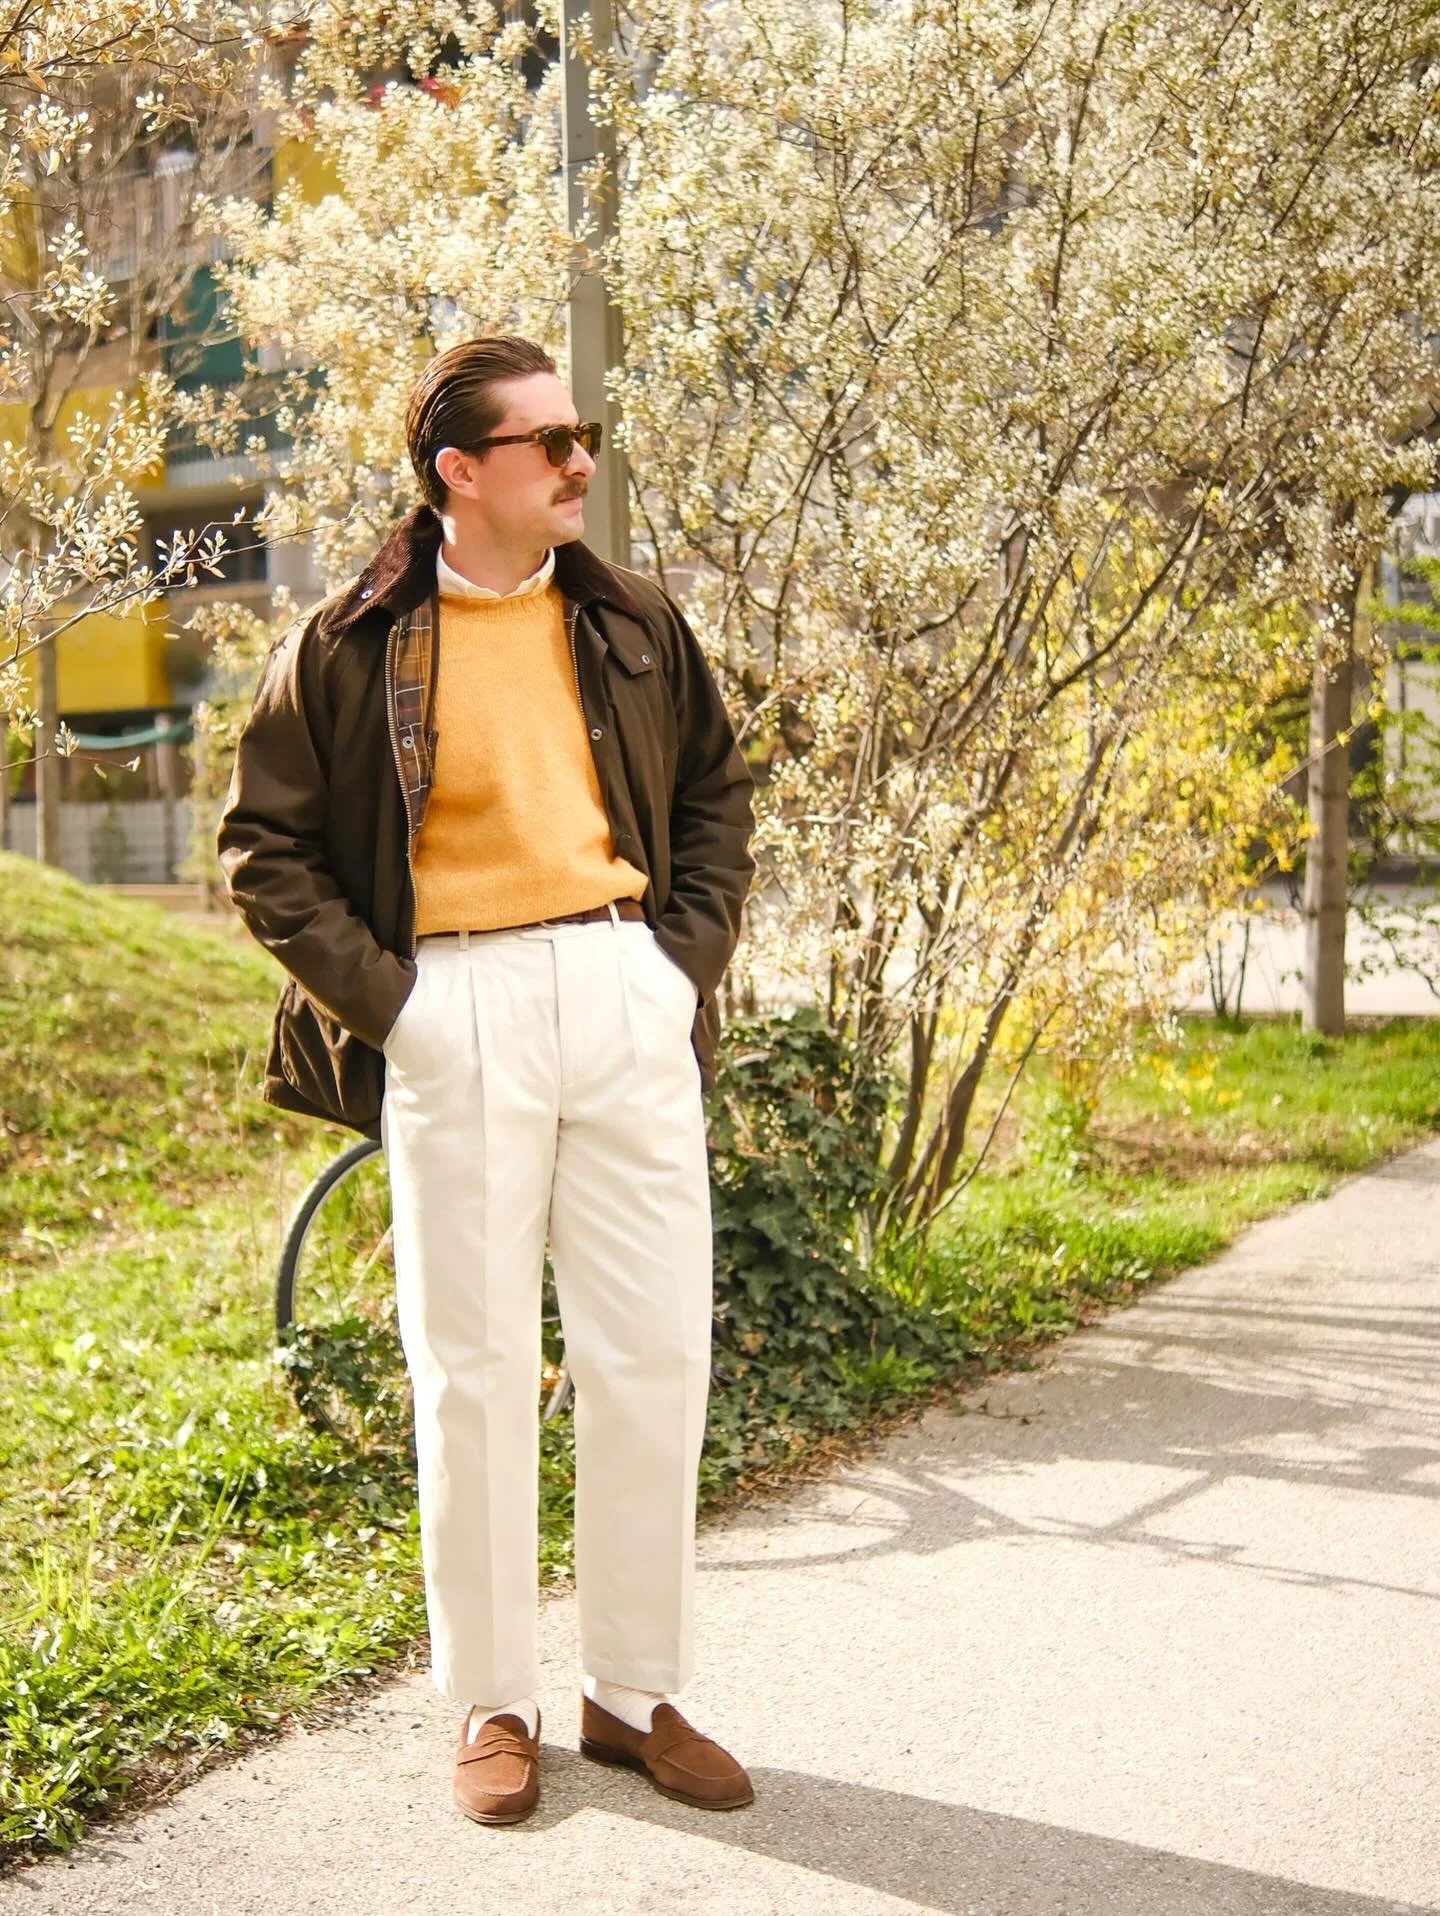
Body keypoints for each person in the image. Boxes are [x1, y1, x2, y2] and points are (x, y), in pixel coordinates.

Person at [217, 335, 757, 1826]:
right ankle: (491, 1701)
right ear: (463, 472)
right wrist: (404, 1010)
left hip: (624, 989)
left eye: (581, 436)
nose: (581, 461)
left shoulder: (636, 619)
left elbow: (715, 794)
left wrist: (674, 966)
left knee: (654, 1357)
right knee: (472, 1379)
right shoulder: (346, 639)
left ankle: (634, 1694)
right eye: (550, 442)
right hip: (453, 1009)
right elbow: (263, 848)